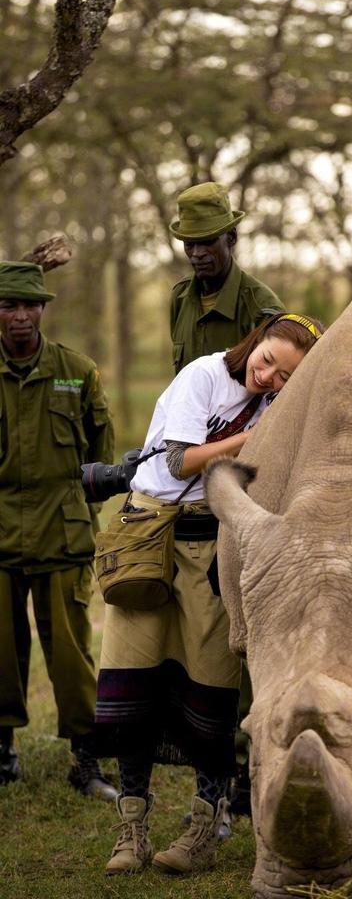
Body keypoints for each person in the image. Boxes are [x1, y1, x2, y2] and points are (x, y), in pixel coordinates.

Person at [96, 312, 324, 877]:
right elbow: (178, 460)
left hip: (213, 543)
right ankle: (132, 827)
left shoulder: (280, 407)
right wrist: (258, 435)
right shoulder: (204, 376)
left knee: (212, 688)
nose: (268, 376)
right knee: (131, 678)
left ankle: (204, 827)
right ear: (257, 339)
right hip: (148, 535)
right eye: (268, 358)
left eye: (286, 377)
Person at [0, 261, 117, 800]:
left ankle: (86, 760)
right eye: (9, 305)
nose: (21, 316)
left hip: (64, 534)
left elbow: (102, 454)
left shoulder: (77, 370)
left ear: (44, 310)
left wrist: (81, 502)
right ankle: (3, 753)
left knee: (71, 655)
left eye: (31, 305)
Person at [169, 181, 285, 374]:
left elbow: (274, 391)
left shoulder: (261, 308)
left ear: (231, 237)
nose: (197, 253)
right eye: (190, 244)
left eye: (207, 241)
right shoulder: (179, 298)